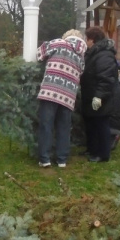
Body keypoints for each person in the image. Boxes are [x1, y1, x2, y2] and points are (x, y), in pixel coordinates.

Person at [35, 29, 86, 168]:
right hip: (69, 95)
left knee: (47, 125)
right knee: (64, 127)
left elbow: (39, 54)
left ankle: (44, 159)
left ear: (66, 37)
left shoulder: (58, 43)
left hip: (51, 91)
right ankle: (62, 159)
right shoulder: (81, 55)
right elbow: (81, 72)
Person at [79, 26, 120, 163]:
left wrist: (99, 96)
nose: (86, 41)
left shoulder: (104, 55)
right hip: (89, 94)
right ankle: (91, 149)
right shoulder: (93, 53)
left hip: (101, 97)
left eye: (87, 39)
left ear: (93, 40)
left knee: (100, 124)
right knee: (90, 123)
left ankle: (102, 154)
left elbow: (106, 78)